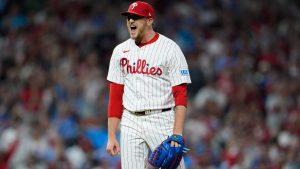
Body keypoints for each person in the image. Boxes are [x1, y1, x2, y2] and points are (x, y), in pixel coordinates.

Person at [106, 1, 191, 168]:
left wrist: (177, 133)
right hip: (130, 120)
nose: (131, 21)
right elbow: (115, 96)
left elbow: (180, 94)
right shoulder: (119, 51)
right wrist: (111, 136)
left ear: (149, 20)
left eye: (136, 17)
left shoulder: (170, 49)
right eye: (129, 17)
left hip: (162, 118)